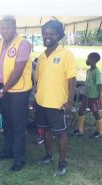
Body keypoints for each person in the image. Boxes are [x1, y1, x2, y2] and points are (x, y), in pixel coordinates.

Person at [0, 16, 32, 172]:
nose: (4, 31)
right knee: (7, 123)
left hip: (18, 91)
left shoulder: (23, 44)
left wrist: (2, 91)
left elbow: (17, 72)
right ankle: (7, 151)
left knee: (18, 125)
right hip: (3, 88)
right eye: (2, 28)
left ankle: (19, 159)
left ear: (14, 27)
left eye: (8, 28)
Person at [34, 20, 76, 176]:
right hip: (41, 102)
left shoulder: (66, 54)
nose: (47, 36)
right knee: (46, 132)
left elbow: (71, 80)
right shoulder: (41, 57)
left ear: (58, 35)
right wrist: (35, 98)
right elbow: (37, 80)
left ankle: (62, 163)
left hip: (58, 104)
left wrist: (69, 102)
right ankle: (48, 156)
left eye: (51, 33)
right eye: (45, 33)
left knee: (60, 133)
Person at [74, 52, 102, 138]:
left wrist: (99, 96)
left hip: (94, 97)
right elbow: (87, 82)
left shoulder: (97, 72)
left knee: (95, 113)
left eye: (89, 58)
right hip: (86, 96)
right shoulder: (88, 71)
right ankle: (80, 130)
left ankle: (99, 131)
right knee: (81, 111)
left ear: (93, 60)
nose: (87, 60)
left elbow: (100, 85)